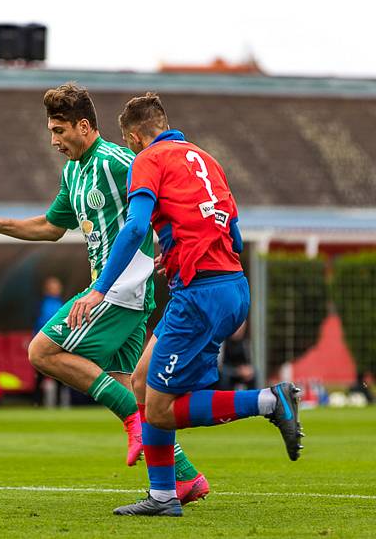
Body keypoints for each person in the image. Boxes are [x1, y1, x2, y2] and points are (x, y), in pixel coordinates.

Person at [0, 83, 204, 497]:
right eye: (51, 132)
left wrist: (176, 245)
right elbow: (52, 228)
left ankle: (133, 423)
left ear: (84, 125)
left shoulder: (117, 160)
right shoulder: (73, 172)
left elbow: (164, 194)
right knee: (125, 385)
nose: (54, 140)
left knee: (42, 352)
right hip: (126, 295)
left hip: (118, 288)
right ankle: (185, 477)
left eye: (59, 131)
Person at [98, 93, 303, 517]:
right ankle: (163, 496)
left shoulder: (148, 160)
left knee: (161, 409)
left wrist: (102, 286)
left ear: (135, 137)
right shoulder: (206, 160)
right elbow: (235, 235)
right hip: (230, 286)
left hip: (199, 295)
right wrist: (175, 252)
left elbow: (136, 225)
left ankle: (269, 401)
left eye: (130, 143)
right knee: (141, 381)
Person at [33, 277, 68, 407]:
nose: (56, 289)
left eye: (57, 286)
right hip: (43, 344)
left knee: (60, 375)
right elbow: (38, 324)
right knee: (40, 375)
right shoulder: (41, 305)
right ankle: (37, 402)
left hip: (59, 344)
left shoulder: (62, 304)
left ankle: (59, 403)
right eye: (53, 286)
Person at [217, 321, 255, 390]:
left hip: (241, 371)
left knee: (254, 374)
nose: (240, 330)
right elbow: (220, 365)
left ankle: (253, 398)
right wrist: (237, 371)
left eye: (242, 327)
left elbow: (249, 363)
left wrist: (248, 370)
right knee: (225, 376)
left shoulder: (246, 343)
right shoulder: (223, 342)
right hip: (226, 371)